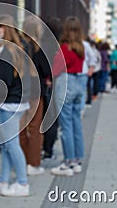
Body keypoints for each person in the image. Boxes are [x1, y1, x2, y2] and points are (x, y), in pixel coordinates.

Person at [0, 14, 31, 197]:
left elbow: (0, 81)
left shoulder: (7, 52)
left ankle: (22, 183)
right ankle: (4, 180)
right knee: (7, 144)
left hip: (8, 104)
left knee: (11, 144)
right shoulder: (23, 48)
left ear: (4, 28)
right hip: (20, 102)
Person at [51, 16, 85, 177]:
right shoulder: (81, 48)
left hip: (65, 83)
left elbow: (57, 68)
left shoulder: (65, 48)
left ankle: (68, 162)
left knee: (66, 125)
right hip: (78, 83)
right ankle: (77, 160)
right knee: (76, 123)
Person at [19, 16, 50, 176]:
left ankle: (22, 161)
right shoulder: (39, 48)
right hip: (36, 92)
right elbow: (46, 71)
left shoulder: (18, 45)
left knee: (21, 128)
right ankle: (34, 164)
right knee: (36, 128)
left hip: (20, 92)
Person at [42, 17, 63, 160]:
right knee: (52, 117)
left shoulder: (43, 44)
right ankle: (49, 148)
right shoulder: (59, 45)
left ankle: (45, 147)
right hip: (57, 82)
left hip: (45, 82)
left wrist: (48, 77)